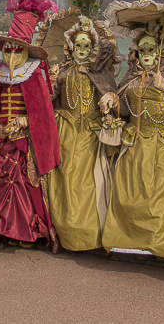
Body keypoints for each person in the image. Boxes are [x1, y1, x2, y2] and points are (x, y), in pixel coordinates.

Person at [101, 24, 164, 260]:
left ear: (162, 51)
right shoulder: (131, 77)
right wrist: (111, 99)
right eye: (142, 49)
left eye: (152, 49)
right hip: (135, 142)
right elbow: (125, 111)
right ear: (136, 53)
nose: (147, 54)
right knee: (129, 190)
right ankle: (130, 241)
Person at [0, 0, 60, 251]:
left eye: (17, 51)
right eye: (8, 51)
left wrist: (25, 122)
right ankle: (3, 231)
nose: (12, 56)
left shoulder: (33, 75)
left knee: (22, 181)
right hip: (0, 136)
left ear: (25, 52)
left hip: (22, 142)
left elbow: (42, 113)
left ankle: (25, 232)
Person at [47, 16, 119, 251]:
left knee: (91, 182)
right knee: (65, 180)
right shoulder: (63, 71)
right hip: (65, 132)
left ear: (93, 48)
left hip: (91, 134)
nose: (82, 50)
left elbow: (115, 100)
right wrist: (51, 82)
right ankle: (65, 234)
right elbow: (49, 101)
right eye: (78, 45)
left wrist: (111, 100)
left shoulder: (100, 73)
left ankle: (92, 236)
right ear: (70, 47)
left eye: (87, 46)